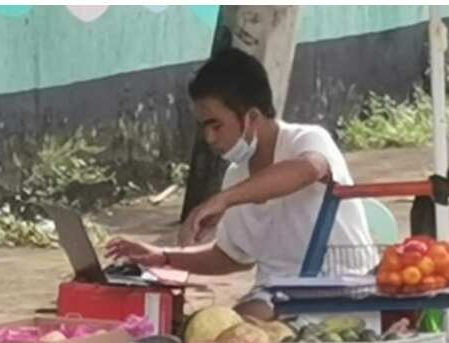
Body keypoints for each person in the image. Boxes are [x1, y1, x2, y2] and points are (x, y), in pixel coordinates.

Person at [107, 48, 374, 321]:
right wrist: (164, 256)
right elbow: (231, 256)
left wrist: (224, 199)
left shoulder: (307, 140)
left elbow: (309, 169)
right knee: (213, 331)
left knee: (240, 331)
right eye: (204, 127)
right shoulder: (236, 175)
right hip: (276, 295)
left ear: (252, 117)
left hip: (339, 289)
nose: (209, 138)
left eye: (216, 125)